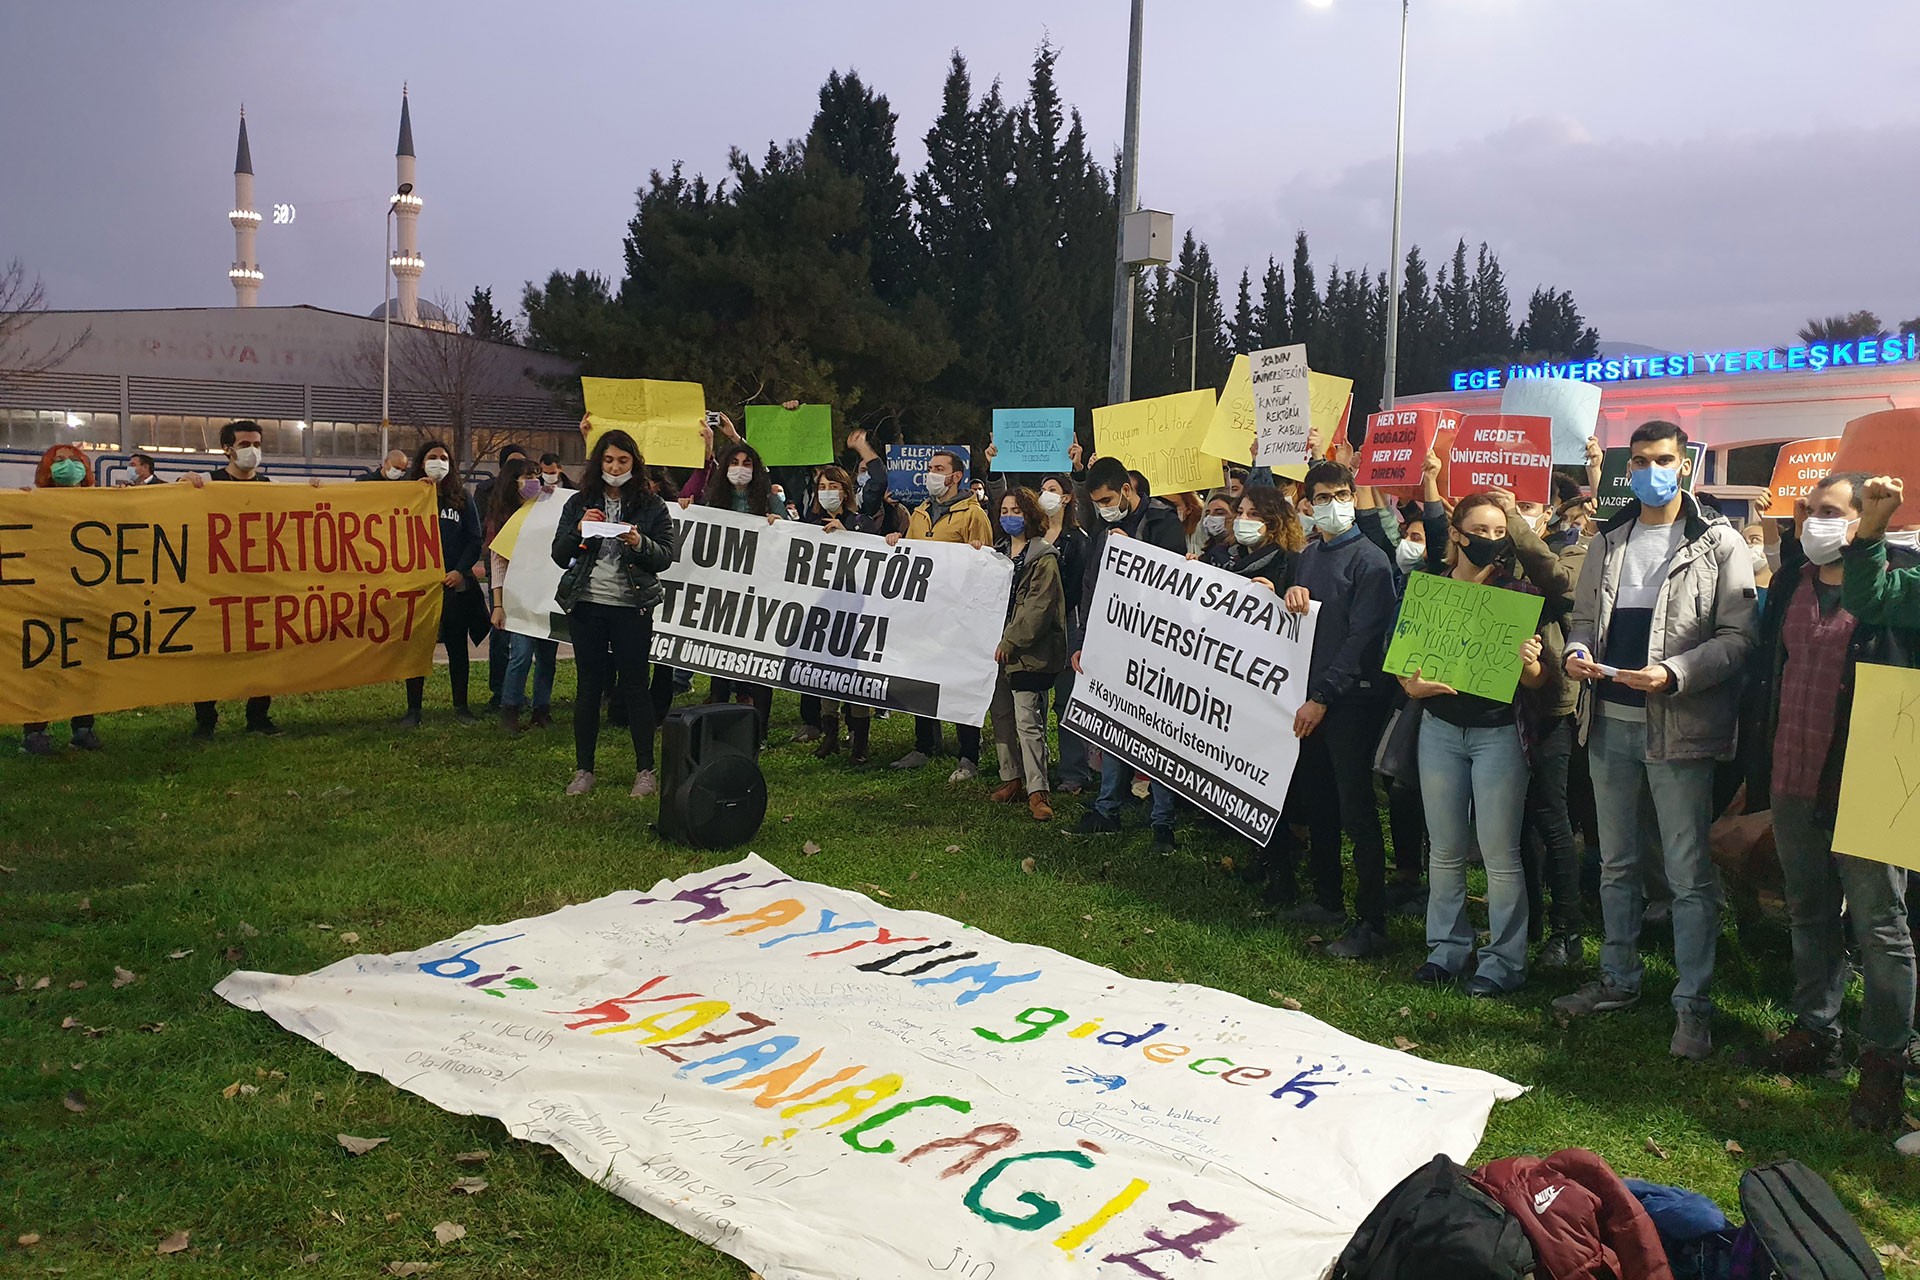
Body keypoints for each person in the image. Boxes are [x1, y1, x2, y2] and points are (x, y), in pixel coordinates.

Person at [1554, 420, 1757, 1061]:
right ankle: (1618, 978)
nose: (1651, 470)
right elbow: (1583, 619)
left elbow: (1738, 639)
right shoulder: (1607, 541)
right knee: (1616, 864)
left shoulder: (1719, 543)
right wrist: (1579, 651)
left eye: (1662, 459)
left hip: (1679, 726)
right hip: (1609, 721)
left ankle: (1692, 1006)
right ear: (1627, 468)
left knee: (1688, 873)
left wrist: (1675, 673)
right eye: (1640, 461)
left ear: (1685, 465)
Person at [1737, 472, 1915, 1129]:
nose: (1816, 521)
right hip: (1795, 770)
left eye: (1833, 511)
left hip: (1874, 770)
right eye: (1809, 509)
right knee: (1807, 908)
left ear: (1867, 517)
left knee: (1880, 927)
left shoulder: (1896, 584)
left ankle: (1883, 1067)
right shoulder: (1792, 581)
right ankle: (1817, 1030)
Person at [1400, 484, 1558, 997]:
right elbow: (1404, 665)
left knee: (1499, 852)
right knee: (1444, 849)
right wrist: (1413, 686)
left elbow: (1537, 682)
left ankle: (1503, 962)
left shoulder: (1520, 596)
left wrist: (1532, 666)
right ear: (1457, 536)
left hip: (1497, 736)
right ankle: (1446, 950)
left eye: (1498, 531)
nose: (1491, 540)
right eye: (1480, 532)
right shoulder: (1429, 586)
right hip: (1440, 730)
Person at [1275, 460, 1398, 957]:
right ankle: (1328, 899)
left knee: (1356, 810)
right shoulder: (1307, 556)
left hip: (1350, 701)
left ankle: (1373, 920)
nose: (1331, 505)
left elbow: (1363, 639)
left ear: (1353, 496)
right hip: (1309, 699)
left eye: (1340, 494)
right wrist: (1288, 593)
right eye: (1321, 497)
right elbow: (1304, 618)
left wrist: (1324, 697)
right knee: (1319, 799)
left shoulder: (1370, 561)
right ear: (1308, 503)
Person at [1071, 457, 1189, 850]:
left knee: (1158, 734)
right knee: (1114, 726)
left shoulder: (1163, 522)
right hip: (1114, 641)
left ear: (1127, 489)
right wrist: (1083, 639)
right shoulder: (1105, 529)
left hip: (1157, 647)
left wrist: (1133, 549)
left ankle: (1163, 822)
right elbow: (1092, 584)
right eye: (1098, 502)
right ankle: (1107, 809)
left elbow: (1171, 580)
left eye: (1108, 498)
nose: (1104, 507)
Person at [552, 428, 676, 796]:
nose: (615, 466)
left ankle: (645, 771)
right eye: (608, 459)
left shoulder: (652, 505)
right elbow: (560, 555)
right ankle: (584, 770)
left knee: (636, 687)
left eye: (623, 460)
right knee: (589, 687)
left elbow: (665, 556)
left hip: (631, 606)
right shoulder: (578, 502)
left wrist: (639, 542)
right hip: (587, 605)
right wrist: (578, 531)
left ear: (634, 463)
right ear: (598, 463)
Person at [886, 450, 993, 779]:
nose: (932, 473)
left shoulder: (974, 515)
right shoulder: (919, 513)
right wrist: (897, 542)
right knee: (923, 678)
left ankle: (968, 754)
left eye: (939, 469)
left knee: (960, 682)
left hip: (960, 617)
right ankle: (924, 744)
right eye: (930, 468)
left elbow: (986, 568)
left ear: (956, 476)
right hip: (927, 614)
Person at [185, 421, 283, 738]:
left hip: (258, 586)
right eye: (244, 445)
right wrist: (181, 484)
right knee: (211, 654)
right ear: (227, 449)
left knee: (262, 652)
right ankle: (206, 720)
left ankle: (258, 717)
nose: (252, 450)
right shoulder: (208, 484)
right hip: (216, 586)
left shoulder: (269, 486)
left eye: (256, 443)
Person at [988, 487, 1068, 822]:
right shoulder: (995, 554)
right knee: (1002, 717)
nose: (1009, 516)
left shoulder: (1045, 558)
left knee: (1028, 721)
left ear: (1030, 515)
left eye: (1016, 511)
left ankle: (1038, 789)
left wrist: (1010, 642)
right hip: (995, 651)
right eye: (1004, 510)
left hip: (1029, 653)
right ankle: (1011, 779)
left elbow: (1038, 608)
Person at [21, 445, 105, 755]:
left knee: (85, 666)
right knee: (42, 666)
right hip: (45, 600)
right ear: (46, 469)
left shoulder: (102, 505)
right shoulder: (29, 503)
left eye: (74, 461)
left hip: (87, 598)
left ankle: (83, 728)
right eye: (58, 462)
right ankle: (34, 731)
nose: (67, 467)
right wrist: (17, 506)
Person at [396, 441, 485, 727]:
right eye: (432, 457)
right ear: (421, 462)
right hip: (419, 587)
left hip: (452, 585)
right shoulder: (406, 495)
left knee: (457, 648)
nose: (438, 462)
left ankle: (461, 707)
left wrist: (461, 571)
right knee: (417, 647)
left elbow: (474, 538)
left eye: (444, 457)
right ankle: (413, 710)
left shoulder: (461, 496)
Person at [695, 442, 779, 740]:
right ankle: (717, 727)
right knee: (719, 662)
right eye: (734, 462)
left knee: (760, 664)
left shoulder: (770, 501)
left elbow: (793, 536)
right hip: (724, 593)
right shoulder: (713, 502)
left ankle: (760, 731)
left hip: (760, 594)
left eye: (747, 463)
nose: (740, 469)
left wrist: (779, 526)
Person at [805, 465, 877, 763]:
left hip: (856, 613)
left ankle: (859, 742)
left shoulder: (861, 522)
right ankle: (830, 735)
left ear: (845, 491)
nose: (827, 493)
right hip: (823, 610)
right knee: (825, 674)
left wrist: (847, 535)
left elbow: (873, 558)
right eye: (822, 487)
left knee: (855, 676)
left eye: (833, 487)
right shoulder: (809, 523)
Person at [485, 459, 559, 731]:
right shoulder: (504, 516)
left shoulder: (545, 508)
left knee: (547, 657)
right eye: (528, 476)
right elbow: (498, 562)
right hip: (518, 596)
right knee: (521, 655)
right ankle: (511, 709)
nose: (535, 481)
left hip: (546, 594)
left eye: (537, 475)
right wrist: (499, 604)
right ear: (512, 480)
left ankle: (542, 710)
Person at [1200, 484, 1294, 584]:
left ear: (1274, 521)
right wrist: (1192, 564)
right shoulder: (1217, 555)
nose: (1242, 518)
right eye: (1240, 512)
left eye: (1254, 514)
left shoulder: (1288, 563)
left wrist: (1273, 595)